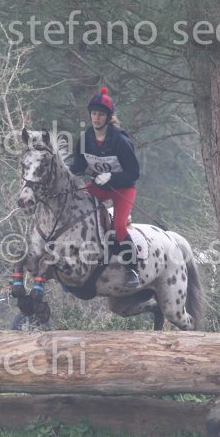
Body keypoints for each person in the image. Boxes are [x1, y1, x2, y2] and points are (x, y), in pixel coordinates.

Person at [69, 87, 140, 287]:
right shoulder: (85, 139)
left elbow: (134, 173)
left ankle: (133, 268)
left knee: (119, 227)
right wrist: (63, 172)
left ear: (108, 117)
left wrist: (111, 176)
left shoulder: (120, 141)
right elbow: (78, 166)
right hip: (99, 187)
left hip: (122, 189)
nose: (96, 118)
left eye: (101, 114)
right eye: (94, 114)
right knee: (75, 209)